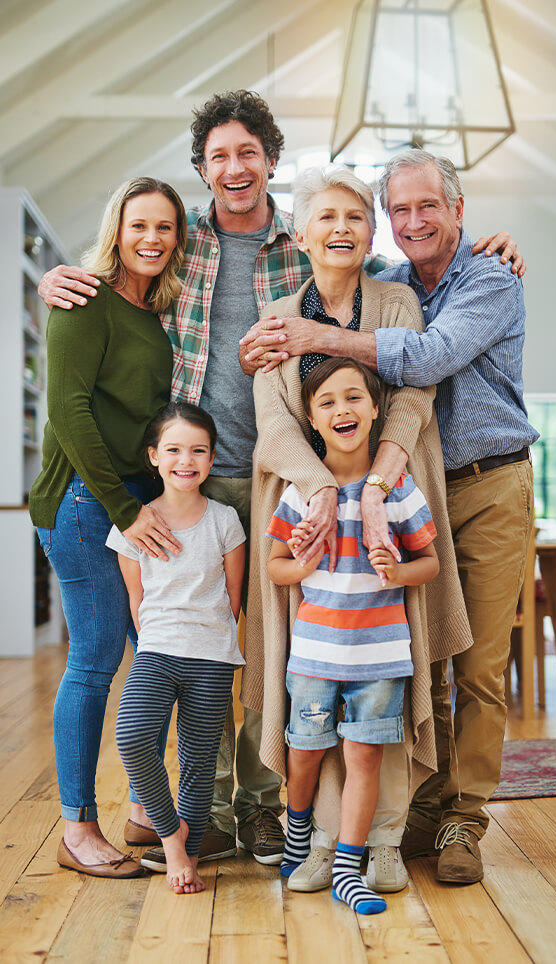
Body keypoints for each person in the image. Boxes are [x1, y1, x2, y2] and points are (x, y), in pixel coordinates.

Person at [37, 90, 524, 871]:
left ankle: (342, 816)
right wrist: (61, 277)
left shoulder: (323, 256)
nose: (235, 168)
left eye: (249, 153)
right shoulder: (178, 240)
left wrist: (486, 243)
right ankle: (207, 811)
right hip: (204, 477)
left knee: (343, 653)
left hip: (338, 485)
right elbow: (124, 263)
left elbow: (397, 317)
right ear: (203, 168)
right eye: (219, 156)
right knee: (211, 653)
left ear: (270, 160)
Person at [241, 149, 538, 885]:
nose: (412, 221)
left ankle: (463, 821)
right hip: (383, 498)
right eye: (398, 211)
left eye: (426, 207)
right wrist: (327, 491)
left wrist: (370, 476)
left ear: (458, 212)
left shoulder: (489, 277)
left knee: (473, 667)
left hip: (480, 485)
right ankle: (415, 816)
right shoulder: (395, 280)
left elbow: (425, 365)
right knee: (415, 665)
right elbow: (279, 416)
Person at [29, 177, 188, 877]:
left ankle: (145, 810)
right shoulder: (81, 300)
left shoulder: (161, 311)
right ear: (116, 230)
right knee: (95, 661)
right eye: (139, 226)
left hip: (137, 500)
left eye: (165, 228)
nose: (151, 239)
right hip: (85, 503)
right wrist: (126, 511)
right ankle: (76, 826)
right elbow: (67, 411)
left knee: (154, 657)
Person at [267, 356, 440, 914]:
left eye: (353, 398)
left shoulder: (397, 489)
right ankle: (298, 833)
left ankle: (347, 866)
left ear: (374, 409)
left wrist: (396, 571)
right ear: (313, 422)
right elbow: (274, 568)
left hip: (381, 658)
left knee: (365, 759)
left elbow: (431, 563)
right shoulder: (300, 494)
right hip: (314, 657)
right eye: (327, 403)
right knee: (306, 756)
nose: (342, 409)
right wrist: (302, 560)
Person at [107, 403, 246, 895]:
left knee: (199, 758)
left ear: (211, 460)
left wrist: (211, 639)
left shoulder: (226, 520)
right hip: (157, 652)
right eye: (174, 449)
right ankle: (172, 837)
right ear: (153, 456)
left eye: (198, 451)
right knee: (132, 737)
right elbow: (135, 597)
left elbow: (233, 597)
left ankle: (185, 847)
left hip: (211, 656)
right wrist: (158, 640)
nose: (186, 460)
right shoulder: (134, 526)